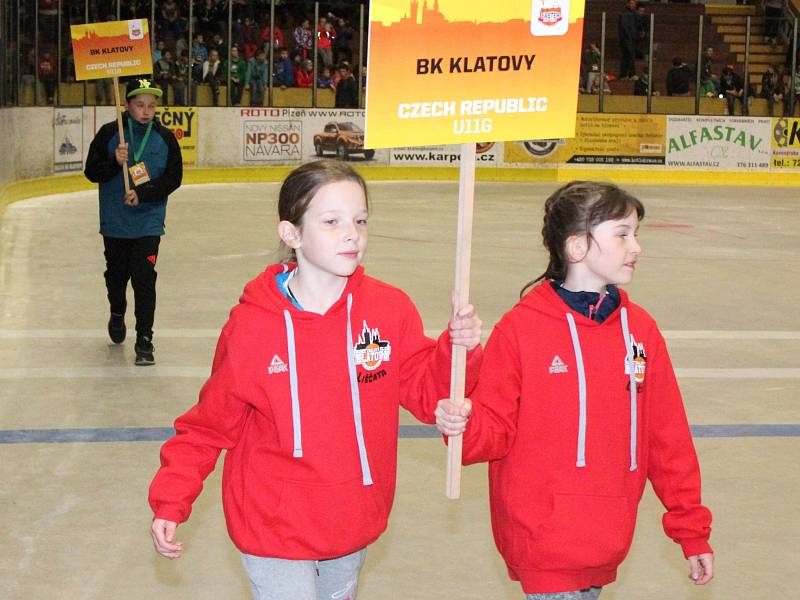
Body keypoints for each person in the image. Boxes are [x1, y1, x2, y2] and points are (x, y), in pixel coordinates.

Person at [148, 160, 482, 599]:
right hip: (273, 519)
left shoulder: (389, 309)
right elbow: (210, 423)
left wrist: (458, 349)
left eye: (360, 220)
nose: (352, 234)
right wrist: (172, 497)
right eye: (331, 221)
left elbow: (426, 390)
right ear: (291, 234)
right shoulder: (253, 326)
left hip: (351, 515)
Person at [435, 181, 714, 599]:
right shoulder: (521, 329)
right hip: (544, 541)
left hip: (608, 537)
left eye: (635, 234)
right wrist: (463, 422)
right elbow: (489, 435)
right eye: (622, 234)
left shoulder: (640, 331)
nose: (636, 247)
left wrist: (690, 529)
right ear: (577, 248)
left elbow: (667, 437)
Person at [83, 78, 183, 366]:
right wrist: (114, 160)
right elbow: (92, 172)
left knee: (144, 278)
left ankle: (144, 339)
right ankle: (117, 311)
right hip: (115, 223)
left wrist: (144, 194)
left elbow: (173, 178)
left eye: (151, 105)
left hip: (148, 224)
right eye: (140, 105)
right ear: (126, 105)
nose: (146, 111)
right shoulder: (108, 134)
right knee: (116, 277)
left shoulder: (165, 138)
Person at [618, 0, 638, 80]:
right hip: (627, 39)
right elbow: (625, 28)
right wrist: (630, 36)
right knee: (629, 56)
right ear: (628, 4)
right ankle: (628, 74)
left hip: (630, 39)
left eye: (634, 4)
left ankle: (626, 74)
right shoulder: (626, 14)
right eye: (632, 3)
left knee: (628, 56)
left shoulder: (632, 14)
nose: (633, 5)